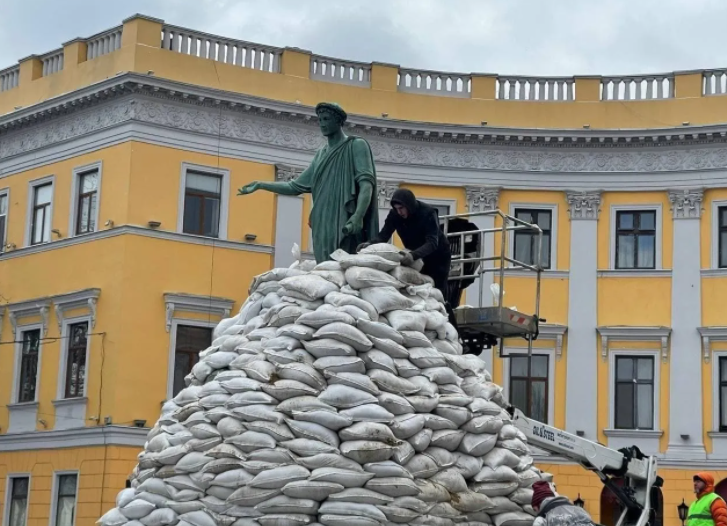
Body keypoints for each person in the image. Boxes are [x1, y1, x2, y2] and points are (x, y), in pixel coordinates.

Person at [238, 102, 379, 263]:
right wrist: (261, 185)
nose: (322, 124)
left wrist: (358, 215)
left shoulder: (356, 145)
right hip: (321, 220)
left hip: (345, 217)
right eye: (319, 120)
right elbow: (294, 186)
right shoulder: (321, 155)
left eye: (326, 119)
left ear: (339, 121)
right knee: (325, 267)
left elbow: (366, 184)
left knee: (346, 264)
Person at [358, 188, 451, 297]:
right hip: (415, 257)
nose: (399, 212)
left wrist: (413, 255)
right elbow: (384, 235)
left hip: (438, 257)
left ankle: (445, 310)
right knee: (417, 289)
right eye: (396, 208)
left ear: (409, 205)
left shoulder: (428, 213)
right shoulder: (395, 215)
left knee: (437, 291)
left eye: (401, 208)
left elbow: (432, 242)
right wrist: (370, 244)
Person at [531, 480, 595, 526]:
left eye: (535, 509)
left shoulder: (543, 518)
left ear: (539, 504)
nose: (536, 512)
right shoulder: (581, 510)